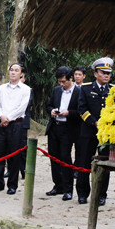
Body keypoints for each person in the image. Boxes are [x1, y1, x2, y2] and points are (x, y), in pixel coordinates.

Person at [76, 57, 114, 205]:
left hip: (106, 134)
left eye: (108, 73)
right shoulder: (86, 88)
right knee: (84, 162)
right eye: (103, 72)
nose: (106, 76)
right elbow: (81, 108)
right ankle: (82, 193)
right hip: (88, 132)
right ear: (96, 73)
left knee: (105, 164)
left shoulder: (113, 90)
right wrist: (94, 122)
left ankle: (101, 194)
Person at [0, 63, 31, 195]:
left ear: (21, 74)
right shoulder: (2, 88)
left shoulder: (26, 89)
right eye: (11, 70)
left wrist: (9, 119)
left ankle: (12, 185)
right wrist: (2, 117)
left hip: (16, 125)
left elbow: (22, 108)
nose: (13, 72)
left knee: (14, 155)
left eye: (16, 70)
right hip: (1, 124)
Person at [45, 66, 81, 201]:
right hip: (55, 127)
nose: (62, 84)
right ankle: (57, 185)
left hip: (68, 128)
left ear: (70, 78)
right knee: (53, 157)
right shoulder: (56, 91)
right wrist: (52, 111)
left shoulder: (78, 92)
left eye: (64, 82)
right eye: (60, 82)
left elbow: (81, 111)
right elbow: (48, 105)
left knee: (65, 157)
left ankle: (68, 189)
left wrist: (69, 113)